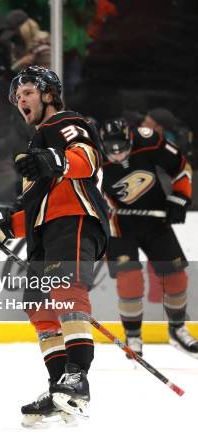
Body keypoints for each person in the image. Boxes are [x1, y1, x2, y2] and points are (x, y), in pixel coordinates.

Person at [0, 65, 109, 425]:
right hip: (45, 231)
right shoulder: (36, 147)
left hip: (75, 218)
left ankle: (77, 379)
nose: (21, 100)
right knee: (38, 307)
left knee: (66, 291)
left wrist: (58, 159)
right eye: (18, 97)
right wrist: (4, 228)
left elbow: (88, 160)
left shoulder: (65, 123)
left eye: (28, 92)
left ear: (49, 94)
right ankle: (59, 388)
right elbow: (34, 207)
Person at [100, 118, 197, 359]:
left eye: (122, 149)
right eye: (111, 151)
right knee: (129, 279)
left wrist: (180, 197)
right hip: (117, 225)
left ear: (131, 140)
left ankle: (177, 330)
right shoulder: (90, 154)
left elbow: (181, 167)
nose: (117, 155)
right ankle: (133, 336)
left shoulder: (148, 140)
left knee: (175, 277)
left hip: (156, 220)